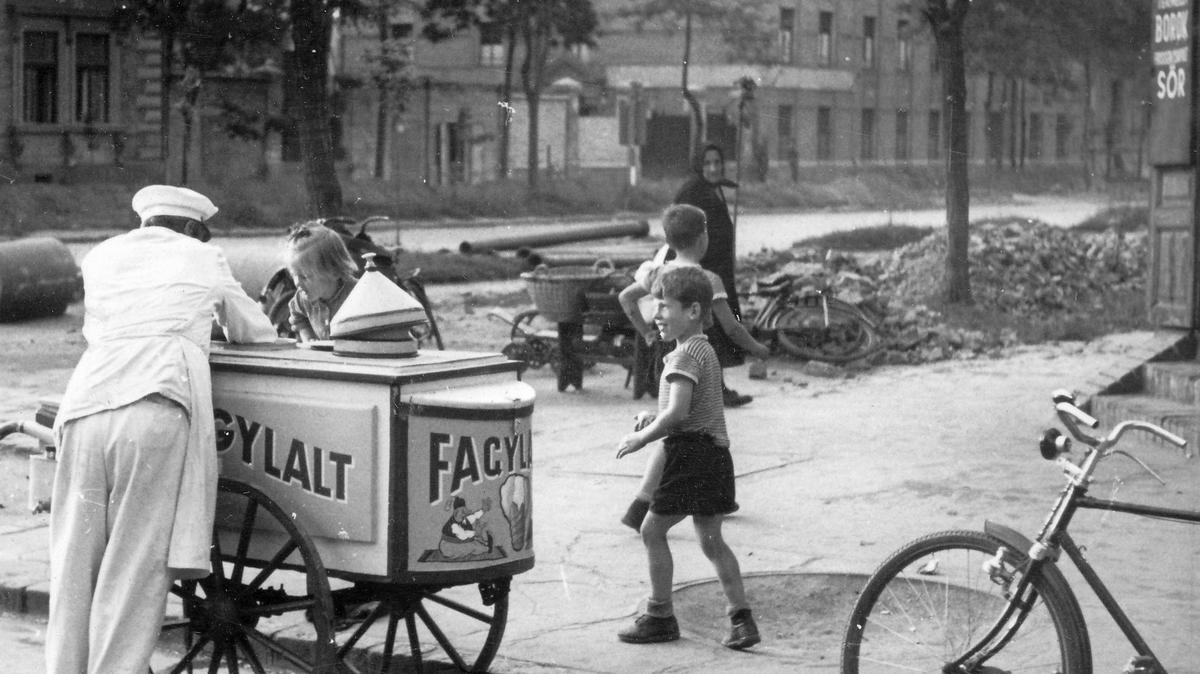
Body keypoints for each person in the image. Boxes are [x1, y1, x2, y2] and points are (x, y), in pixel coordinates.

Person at [47, 185, 278, 673]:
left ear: (147, 222)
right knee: (133, 566)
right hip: (153, 405)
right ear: (194, 228)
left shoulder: (102, 255)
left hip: (85, 404)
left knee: (75, 564)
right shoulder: (203, 256)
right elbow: (255, 331)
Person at [614, 265, 761, 650]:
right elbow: (688, 407)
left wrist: (642, 437)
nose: (656, 315)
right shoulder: (702, 349)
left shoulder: (682, 358)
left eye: (663, 307)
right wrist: (654, 415)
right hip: (714, 456)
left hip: (690, 456)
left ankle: (660, 615)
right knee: (712, 540)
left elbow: (678, 415)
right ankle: (741, 620)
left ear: (693, 311)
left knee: (651, 530)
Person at [617, 204, 770, 532]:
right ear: (702, 238)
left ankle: (641, 502)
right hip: (695, 354)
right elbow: (731, 328)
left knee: (672, 429)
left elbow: (626, 299)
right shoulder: (707, 279)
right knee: (701, 424)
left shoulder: (659, 273)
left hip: (665, 353)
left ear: (670, 240)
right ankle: (710, 496)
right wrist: (757, 347)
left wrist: (645, 332)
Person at [673, 143, 753, 407]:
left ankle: (713, 388)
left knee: (715, 330)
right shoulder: (692, 192)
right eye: (707, 163)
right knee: (712, 331)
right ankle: (715, 390)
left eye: (717, 162)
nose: (713, 168)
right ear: (699, 165)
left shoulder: (712, 188)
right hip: (703, 271)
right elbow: (679, 229)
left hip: (719, 269)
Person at [283, 221, 360, 342]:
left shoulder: (358, 294)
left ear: (334, 271)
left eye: (305, 276)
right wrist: (308, 338)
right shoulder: (302, 298)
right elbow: (298, 318)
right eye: (294, 275)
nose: (297, 282)